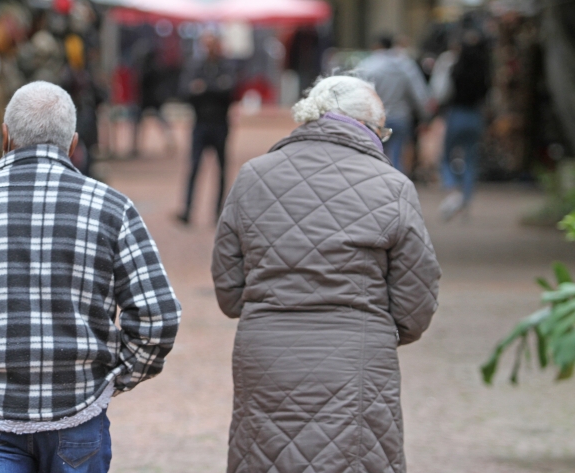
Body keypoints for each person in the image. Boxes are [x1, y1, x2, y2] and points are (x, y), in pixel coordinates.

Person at [0, 81, 181, 473]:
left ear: (5, 137)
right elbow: (160, 316)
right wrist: (118, 377)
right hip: (79, 415)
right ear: (73, 143)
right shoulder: (113, 209)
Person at [212, 75, 441, 473]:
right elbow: (416, 302)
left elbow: (229, 289)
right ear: (370, 128)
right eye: (383, 131)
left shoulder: (252, 176)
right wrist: (373, 326)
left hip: (267, 354)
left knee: (265, 457)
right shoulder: (393, 187)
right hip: (357, 355)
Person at [176, 32, 236, 224]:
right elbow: (185, 90)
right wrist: (214, 88)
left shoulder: (226, 65)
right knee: (194, 168)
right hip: (200, 124)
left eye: (212, 44)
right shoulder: (196, 66)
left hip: (220, 124)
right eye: (206, 45)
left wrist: (204, 88)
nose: (209, 48)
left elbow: (229, 90)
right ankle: (187, 210)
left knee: (222, 169)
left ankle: (219, 212)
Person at [436, 29, 491, 220]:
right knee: (470, 160)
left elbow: (443, 92)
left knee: (446, 156)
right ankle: (465, 203)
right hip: (475, 116)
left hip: (456, 114)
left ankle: (453, 191)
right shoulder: (483, 71)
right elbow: (487, 95)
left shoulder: (455, 69)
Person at [357, 34, 431, 173]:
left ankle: (379, 188)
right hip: (401, 117)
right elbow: (419, 93)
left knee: (376, 157)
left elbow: (359, 94)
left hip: (376, 118)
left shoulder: (368, 65)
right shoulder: (406, 65)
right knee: (398, 157)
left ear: (376, 46)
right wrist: (425, 116)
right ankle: (396, 187)